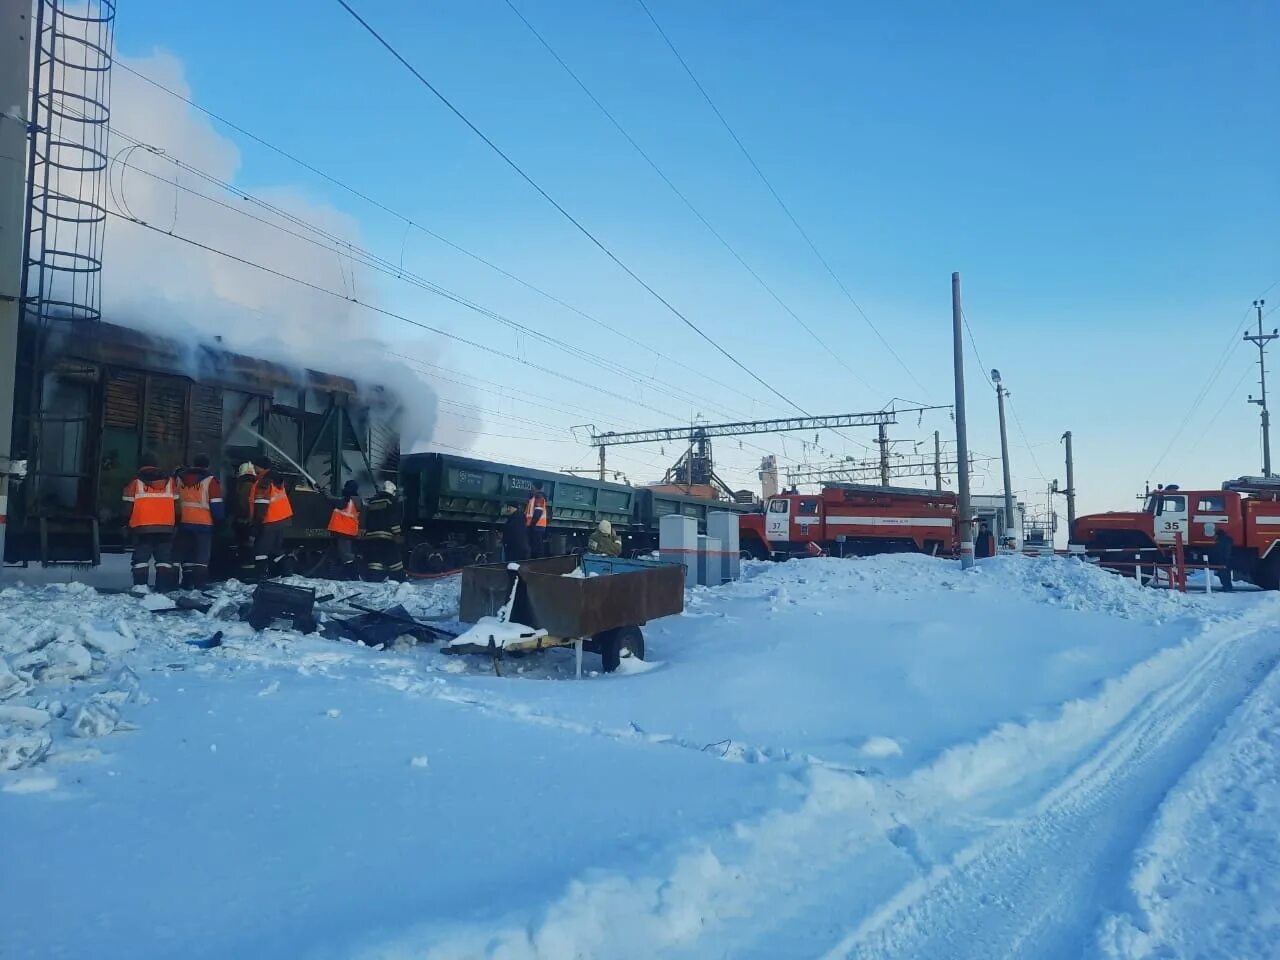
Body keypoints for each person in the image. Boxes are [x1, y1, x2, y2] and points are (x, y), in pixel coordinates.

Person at [123, 451, 180, 591]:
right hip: (166, 529)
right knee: (164, 561)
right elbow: (178, 507)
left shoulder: (135, 483)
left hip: (142, 529)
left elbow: (127, 507)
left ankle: (141, 588)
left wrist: (125, 524)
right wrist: (176, 524)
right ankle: (162, 589)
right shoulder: (170, 483)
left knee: (140, 561)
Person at [174, 453, 224, 590]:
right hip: (204, 524)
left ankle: (186, 581)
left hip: (184, 522)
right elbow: (216, 503)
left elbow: (175, 500)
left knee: (187, 553)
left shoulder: (179, 479)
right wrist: (219, 521)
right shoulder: (210, 481)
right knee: (202, 555)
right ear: (207, 466)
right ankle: (200, 584)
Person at [251, 456, 294, 579]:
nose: (253, 468)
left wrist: (256, 526)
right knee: (275, 549)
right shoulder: (276, 480)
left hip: (269, 520)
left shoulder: (263, 482)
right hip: (281, 520)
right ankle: (286, 570)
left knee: (260, 550)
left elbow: (261, 506)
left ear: (260, 467)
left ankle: (261, 575)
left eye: (255, 465)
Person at [362, 480, 404, 582]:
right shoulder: (391, 501)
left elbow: (365, 518)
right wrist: (397, 533)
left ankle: (374, 579)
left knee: (375, 561)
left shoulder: (372, 501)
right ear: (392, 491)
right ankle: (400, 580)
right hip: (386, 537)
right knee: (395, 561)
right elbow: (393, 520)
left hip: (371, 537)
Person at [327, 479, 362, 580]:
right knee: (344, 554)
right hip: (348, 530)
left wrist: (326, 492)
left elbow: (332, 500)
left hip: (344, 530)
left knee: (346, 555)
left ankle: (353, 576)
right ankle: (347, 575)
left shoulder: (347, 500)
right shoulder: (356, 500)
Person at [233, 461, 259, 580]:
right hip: (251, 521)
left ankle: (246, 575)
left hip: (245, 521)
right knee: (249, 547)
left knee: (246, 548)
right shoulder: (254, 484)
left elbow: (243, 504)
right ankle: (249, 573)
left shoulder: (245, 485)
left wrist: (240, 518)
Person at [525, 482, 548, 559]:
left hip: (537, 526)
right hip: (535, 526)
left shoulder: (539, 497)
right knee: (535, 547)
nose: (531, 488)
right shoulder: (534, 498)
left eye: (532, 487)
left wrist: (532, 525)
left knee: (537, 548)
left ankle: (538, 563)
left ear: (536, 488)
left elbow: (538, 512)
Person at [1211, 528, 1234, 592]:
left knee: (1223, 574)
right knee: (1227, 573)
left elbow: (1219, 551)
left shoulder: (1220, 541)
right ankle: (1228, 586)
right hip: (1226, 560)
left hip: (1222, 560)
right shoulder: (1227, 540)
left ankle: (1226, 587)